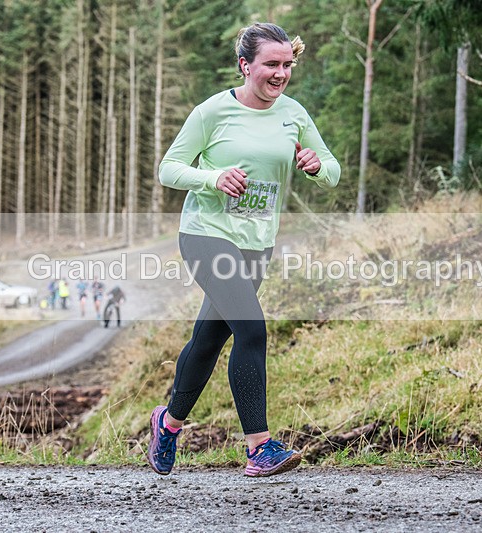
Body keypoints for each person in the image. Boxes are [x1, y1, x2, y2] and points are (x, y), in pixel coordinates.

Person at [148, 22, 340, 478]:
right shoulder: (213, 112)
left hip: (257, 243)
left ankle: (168, 424)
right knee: (252, 329)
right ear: (245, 65)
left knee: (210, 339)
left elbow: (331, 169)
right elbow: (168, 169)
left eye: (287, 65)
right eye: (271, 65)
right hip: (206, 234)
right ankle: (259, 447)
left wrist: (316, 165)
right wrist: (212, 178)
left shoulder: (293, 113)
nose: (280, 74)